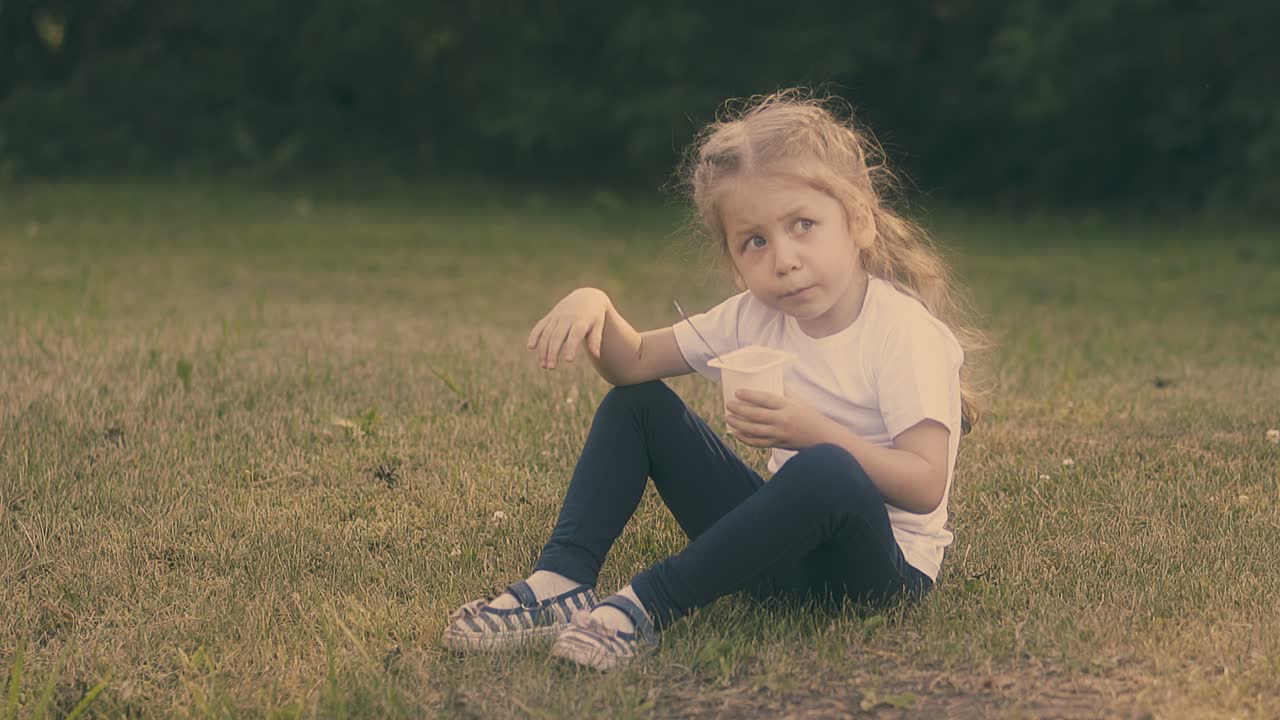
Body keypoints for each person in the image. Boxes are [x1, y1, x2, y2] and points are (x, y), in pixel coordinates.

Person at [440, 87, 986, 672]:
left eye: (804, 224)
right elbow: (634, 365)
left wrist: (813, 432)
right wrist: (595, 304)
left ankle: (645, 607)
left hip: (877, 578)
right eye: (756, 241)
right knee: (638, 405)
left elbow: (926, 483)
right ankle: (561, 580)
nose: (784, 258)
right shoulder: (756, 316)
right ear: (733, 258)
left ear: (858, 222)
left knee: (826, 467)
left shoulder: (903, 332)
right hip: (777, 559)